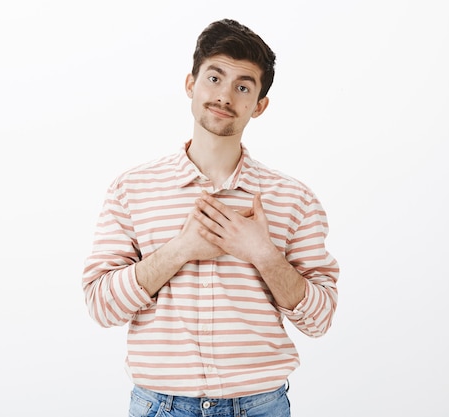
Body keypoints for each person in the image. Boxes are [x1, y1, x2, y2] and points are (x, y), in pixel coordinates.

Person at [82, 18, 339, 417]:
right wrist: (180, 249)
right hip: (160, 407)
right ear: (191, 84)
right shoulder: (131, 190)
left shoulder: (293, 199)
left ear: (259, 105)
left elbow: (320, 319)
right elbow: (101, 305)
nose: (224, 96)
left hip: (260, 407)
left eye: (242, 86)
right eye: (214, 78)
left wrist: (263, 254)